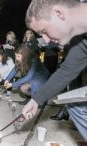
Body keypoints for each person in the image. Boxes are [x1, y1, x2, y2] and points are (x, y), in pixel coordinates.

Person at [23, 0, 87, 141]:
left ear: (59, 13)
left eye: (44, 31)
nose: (45, 40)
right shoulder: (81, 40)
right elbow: (66, 72)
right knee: (76, 107)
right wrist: (36, 99)